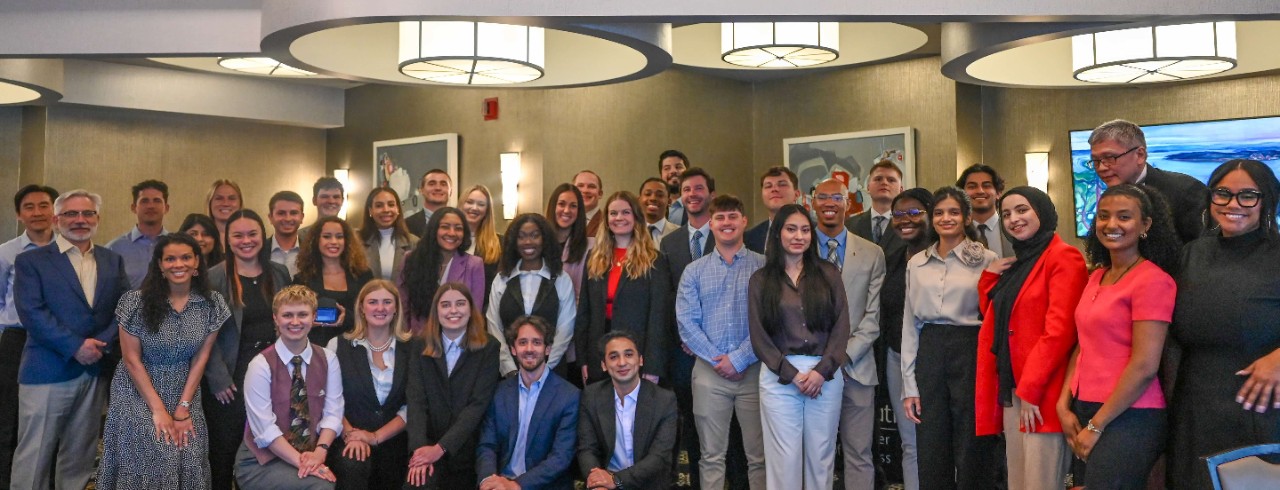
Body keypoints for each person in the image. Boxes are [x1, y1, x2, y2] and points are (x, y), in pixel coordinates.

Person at [1058, 184, 1180, 489]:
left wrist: (1097, 426)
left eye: (1124, 217)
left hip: (1131, 416)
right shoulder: (1097, 275)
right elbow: (1083, 345)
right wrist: (1063, 404)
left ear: (1145, 225)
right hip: (1084, 407)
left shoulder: (1153, 280)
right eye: (1103, 216)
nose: (1111, 225)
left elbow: (1144, 366)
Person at [1168, 159, 1280, 489]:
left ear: (1267, 200)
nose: (1233, 204)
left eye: (1248, 195)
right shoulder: (1191, 254)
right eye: (1223, 194)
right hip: (1196, 402)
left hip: (1261, 405)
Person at [11, 189, 130, 490]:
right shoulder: (31, 261)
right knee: (34, 456)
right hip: (47, 371)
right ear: (56, 219)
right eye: (71, 214)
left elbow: (125, 308)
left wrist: (98, 345)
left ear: (97, 218)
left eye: (87, 214)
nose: (80, 220)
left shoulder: (112, 260)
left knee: (80, 456)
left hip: (94, 370)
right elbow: (33, 314)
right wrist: (76, 346)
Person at [974, 186, 1086, 490]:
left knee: (1041, 482)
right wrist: (988, 279)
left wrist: (1031, 390)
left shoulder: (1064, 257)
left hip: (1041, 393)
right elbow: (999, 321)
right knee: (1019, 482)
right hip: (1013, 388)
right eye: (1006, 214)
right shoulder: (1020, 262)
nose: (1013, 219)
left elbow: (1060, 332)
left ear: (1043, 211)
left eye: (1022, 210)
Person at [97, 233, 229, 488]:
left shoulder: (212, 304)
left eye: (185, 258)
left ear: (197, 263)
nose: (178, 264)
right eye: (170, 259)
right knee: (157, 450)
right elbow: (131, 359)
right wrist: (158, 410)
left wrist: (183, 407)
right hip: (137, 389)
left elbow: (201, 358)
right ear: (159, 265)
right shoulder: (134, 302)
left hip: (184, 386)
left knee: (188, 451)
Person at [900, 186, 999, 490]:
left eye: (954, 212)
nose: (946, 218)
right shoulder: (916, 263)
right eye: (939, 212)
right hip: (930, 348)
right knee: (931, 441)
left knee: (972, 441)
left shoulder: (987, 259)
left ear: (967, 217)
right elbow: (909, 324)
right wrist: (909, 384)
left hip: (971, 348)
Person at [748, 203, 853, 489]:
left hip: (825, 375)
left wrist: (821, 371)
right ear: (778, 233)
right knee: (784, 461)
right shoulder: (761, 280)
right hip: (780, 377)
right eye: (791, 229)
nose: (799, 236)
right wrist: (792, 374)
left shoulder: (829, 273)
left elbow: (841, 327)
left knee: (821, 458)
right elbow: (759, 337)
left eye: (805, 230)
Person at [676, 194, 767, 490]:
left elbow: (770, 321)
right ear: (710, 223)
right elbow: (687, 324)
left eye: (732, 216)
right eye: (720, 218)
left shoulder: (764, 267)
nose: (726, 223)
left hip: (754, 370)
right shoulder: (694, 271)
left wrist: (739, 358)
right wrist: (720, 360)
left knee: (759, 456)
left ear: (743, 221)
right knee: (711, 456)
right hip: (708, 373)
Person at [205, 209, 293, 488]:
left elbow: (290, 319)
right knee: (224, 449)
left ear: (262, 236)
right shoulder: (213, 277)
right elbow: (203, 333)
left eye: (252, 233)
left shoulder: (278, 272)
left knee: (266, 449)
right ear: (227, 239)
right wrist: (218, 379)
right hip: (229, 378)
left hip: (273, 374)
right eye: (238, 235)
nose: (246, 240)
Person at [811, 178, 887, 490]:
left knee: (859, 452)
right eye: (823, 197)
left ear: (849, 202)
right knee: (818, 453)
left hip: (857, 368)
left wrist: (841, 356)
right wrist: (822, 360)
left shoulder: (872, 253)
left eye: (837, 197)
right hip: (811, 369)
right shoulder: (798, 249)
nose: (830, 203)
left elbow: (873, 317)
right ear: (812, 203)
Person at [235, 285, 344, 489]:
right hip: (262, 461)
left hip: (311, 453)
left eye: (302, 314)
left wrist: (320, 452)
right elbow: (265, 431)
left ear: (313, 318)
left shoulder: (329, 359)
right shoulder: (260, 365)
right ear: (276, 318)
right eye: (287, 315)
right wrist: (305, 464)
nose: (295, 322)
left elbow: (333, 413)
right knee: (320, 487)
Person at [404, 282, 501, 489]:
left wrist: (441, 448)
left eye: (460, 303)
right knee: (417, 485)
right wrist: (420, 451)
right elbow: (416, 401)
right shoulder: (419, 345)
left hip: (467, 448)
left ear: (471, 309)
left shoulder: (489, 348)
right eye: (446, 305)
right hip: (427, 443)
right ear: (436, 311)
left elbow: (477, 405)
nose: (453, 310)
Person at [659, 167, 716, 487]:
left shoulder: (727, 233)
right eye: (686, 189)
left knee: (723, 427)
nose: (692, 194)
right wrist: (684, 336)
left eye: (699, 188)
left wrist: (705, 340)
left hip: (719, 350)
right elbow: (668, 296)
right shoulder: (670, 242)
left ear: (710, 194)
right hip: (681, 352)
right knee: (689, 426)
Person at [576, 191, 671, 385]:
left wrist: (653, 365)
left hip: (637, 354)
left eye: (625, 212)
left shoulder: (654, 260)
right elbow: (584, 312)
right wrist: (584, 359)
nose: (619, 218)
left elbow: (658, 317)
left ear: (636, 217)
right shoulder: (594, 258)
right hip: (599, 353)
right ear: (606, 219)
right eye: (613, 213)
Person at [477, 315, 581, 490]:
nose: (529, 349)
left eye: (537, 343)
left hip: (543, 486)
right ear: (513, 349)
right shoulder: (499, 392)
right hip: (500, 483)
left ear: (547, 349)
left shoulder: (569, 396)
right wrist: (488, 480)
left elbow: (560, 457)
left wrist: (516, 485)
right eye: (523, 342)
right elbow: (487, 445)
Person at [325, 280, 411, 489]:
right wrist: (351, 435)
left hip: (396, 441)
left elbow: (414, 405)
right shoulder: (337, 345)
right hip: (347, 439)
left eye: (387, 302)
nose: (380, 308)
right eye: (373, 302)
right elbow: (329, 399)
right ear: (362, 308)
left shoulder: (413, 348)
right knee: (354, 464)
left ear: (396, 308)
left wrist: (375, 437)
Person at [0, 184, 56, 489]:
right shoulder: (7, 252)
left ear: (54, 211)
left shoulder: (68, 249)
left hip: (58, 343)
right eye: (30, 207)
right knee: (10, 415)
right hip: (17, 340)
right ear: (19, 215)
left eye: (44, 205)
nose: (38, 212)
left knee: (51, 415)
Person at [880, 187, 934, 490]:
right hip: (897, 359)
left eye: (914, 212)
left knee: (941, 441)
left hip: (938, 362)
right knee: (910, 443)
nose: (905, 220)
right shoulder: (892, 261)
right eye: (898, 214)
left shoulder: (945, 256)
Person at [577, 331, 679, 490]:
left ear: (640, 360)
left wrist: (616, 480)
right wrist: (596, 479)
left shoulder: (664, 400)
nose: (622, 362)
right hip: (606, 483)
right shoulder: (591, 396)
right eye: (613, 357)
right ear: (604, 365)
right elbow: (587, 449)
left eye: (629, 354)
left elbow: (659, 457)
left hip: (648, 484)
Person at [1088, 119, 1207, 244]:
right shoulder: (1108, 197)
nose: (1101, 168)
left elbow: (1202, 254)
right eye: (1096, 161)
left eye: (1110, 158)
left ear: (1140, 155)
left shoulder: (1185, 190)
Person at [486, 213, 576, 376]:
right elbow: (494, 327)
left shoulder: (561, 279)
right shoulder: (501, 279)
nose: (528, 242)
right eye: (521, 237)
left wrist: (545, 369)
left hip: (552, 372)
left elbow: (565, 330)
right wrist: (509, 369)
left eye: (535, 236)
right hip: (508, 374)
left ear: (545, 240)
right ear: (514, 242)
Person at [402, 207, 486, 335]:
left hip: (458, 342)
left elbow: (475, 313)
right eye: (445, 227)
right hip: (417, 341)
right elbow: (403, 305)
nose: (452, 233)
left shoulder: (474, 264)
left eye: (458, 228)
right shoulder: (411, 259)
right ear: (434, 229)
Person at [293, 216, 373, 347]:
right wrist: (308, 321)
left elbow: (373, 312)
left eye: (339, 236)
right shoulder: (302, 279)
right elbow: (294, 317)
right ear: (316, 241)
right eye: (327, 236)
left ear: (347, 241)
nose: (334, 241)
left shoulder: (363, 275)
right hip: (317, 349)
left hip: (356, 345)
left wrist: (347, 317)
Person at [107, 179, 171, 288]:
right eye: (144, 201)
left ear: (166, 208)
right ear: (133, 208)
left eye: (157, 200)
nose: (151, 206)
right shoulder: (114, 249)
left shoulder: (177, 245)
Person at [847, 160, 906, 254]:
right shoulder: (849, 225)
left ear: (901, 190)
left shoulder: (908, 225)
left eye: (891, 180)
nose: (884, 183)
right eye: (878, 179)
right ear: (868, 187)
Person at [359, 187, 418, 281]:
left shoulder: (414, 243)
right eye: (379, 206)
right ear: (370, 210)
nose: (386, 210)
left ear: (398, 209)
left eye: (391, 205)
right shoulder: (357, 241)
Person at [545, 183, 591, 298]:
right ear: (553, 206)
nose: (566, 210)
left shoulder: (590, 247)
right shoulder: (540, 244)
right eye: (561, 204)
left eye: (573, 206)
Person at [957, 164, 1011, 258]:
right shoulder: (954, 231)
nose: (980, 191)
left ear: (998, 193)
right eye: (972, 187)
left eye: (986, 186)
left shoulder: (1014, 227)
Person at [461, 185, 503, 306]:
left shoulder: (500, 244)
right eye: (469, 202)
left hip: (486, 314)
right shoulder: (449, 241)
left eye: (481, 204)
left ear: (487, 211)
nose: (474, 208)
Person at [744, 166, 800, 254]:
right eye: (768, 186)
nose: (774, 189)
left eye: (782, 184)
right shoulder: (748, 238)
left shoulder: (813, 232)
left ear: (796, 194)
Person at [265, 191, 306, 277]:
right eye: (281, 213)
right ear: (270, 218)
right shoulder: (259, 251)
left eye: (293, 213)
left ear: (302, 217)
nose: (288, 218)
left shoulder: (312, 251)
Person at [406, 169, 453, 238]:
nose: (438, 188)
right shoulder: (407, 225)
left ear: (451, 191)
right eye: (432, 184)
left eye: (443, 184)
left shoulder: (461, 222)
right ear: (421, 190)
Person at [638, 178, 678, 243]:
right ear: (639, 200)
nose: (653, 198)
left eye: (660, 195)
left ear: (669, 201)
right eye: (648, 194)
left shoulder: (679, 234)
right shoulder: (629, 232)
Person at [659, 150, 690, 226]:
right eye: (667, 168)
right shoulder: (653, 204)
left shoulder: (700, 205)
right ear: (661, 175)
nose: (673, 171)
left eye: (678, 167)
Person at [575, 170, 605, 239]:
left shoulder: (607, 223)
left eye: (591, 186)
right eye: (580, 186)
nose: (585, 190)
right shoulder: (564, 221)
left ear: (600, 194)